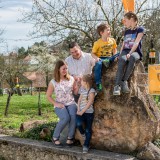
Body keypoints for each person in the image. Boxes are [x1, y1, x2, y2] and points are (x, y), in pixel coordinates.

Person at [46, 60, 78, 147]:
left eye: (66, 68)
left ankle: (70, 139)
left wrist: (78, 85)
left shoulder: (71, 79)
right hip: (59, 104)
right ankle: (55, 137)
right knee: (65, 118)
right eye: (63, 69)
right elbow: (48, 96)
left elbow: (75, 92)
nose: (65, 70)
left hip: (71, 103)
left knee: (73, 116)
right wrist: (56, 104)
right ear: (58, 69)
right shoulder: (53, 82)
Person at [113, 11, 144, 95]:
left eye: (125, 20)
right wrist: (120, 54)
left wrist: (130, 53)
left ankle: (124, 81)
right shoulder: (126, 31)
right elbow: (123, 43)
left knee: (132, 58)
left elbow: (136, 43)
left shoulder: (140, 29)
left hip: (136, 51)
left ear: (131, 19)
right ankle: (117, 86)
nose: (124, 22)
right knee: (122, 60)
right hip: (125, 50)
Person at [92, 23, 119, 91]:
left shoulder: (112, 40)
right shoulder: (97, 43)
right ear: (101, 33)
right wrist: (96, 58)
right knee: (98, 65)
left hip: (110, 57)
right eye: (107, 30)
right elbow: (92, 53)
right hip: (101, 58)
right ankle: (98, 83)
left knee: (120, 53)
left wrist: (114, 56)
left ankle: (107, 61)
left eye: (109, 30)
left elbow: (114, 49)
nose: (109, 32)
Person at [76, 74, 96, 153]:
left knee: (88, 129)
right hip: (80, 112)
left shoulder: (92, 91)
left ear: (86, 82)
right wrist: (78, 109)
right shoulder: (82, 89)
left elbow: (90, 102)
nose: (81, 82)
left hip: (88, 113)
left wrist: (82, 111)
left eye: (82, 80)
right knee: (78, 124)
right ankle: (83, 134)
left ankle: (86, 145)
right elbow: (79, 100)